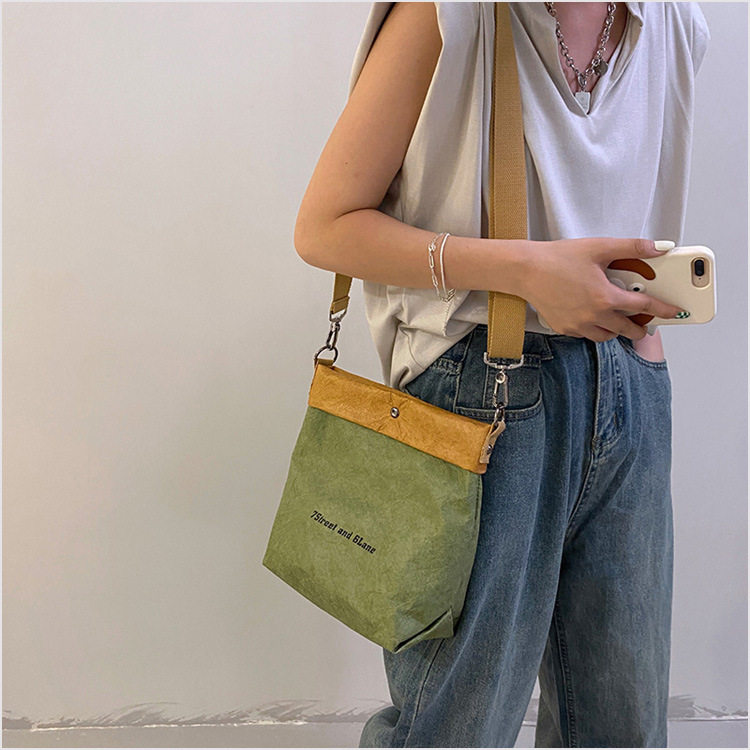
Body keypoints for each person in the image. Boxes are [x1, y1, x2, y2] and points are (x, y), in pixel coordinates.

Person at [293, 2, 710, 747]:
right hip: (480, 393)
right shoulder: (451, 14)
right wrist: (522, 270)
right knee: (454, 725)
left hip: (630, 387)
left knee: (621, 727)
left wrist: (643, 364)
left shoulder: (673, 21)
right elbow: (325, 225)